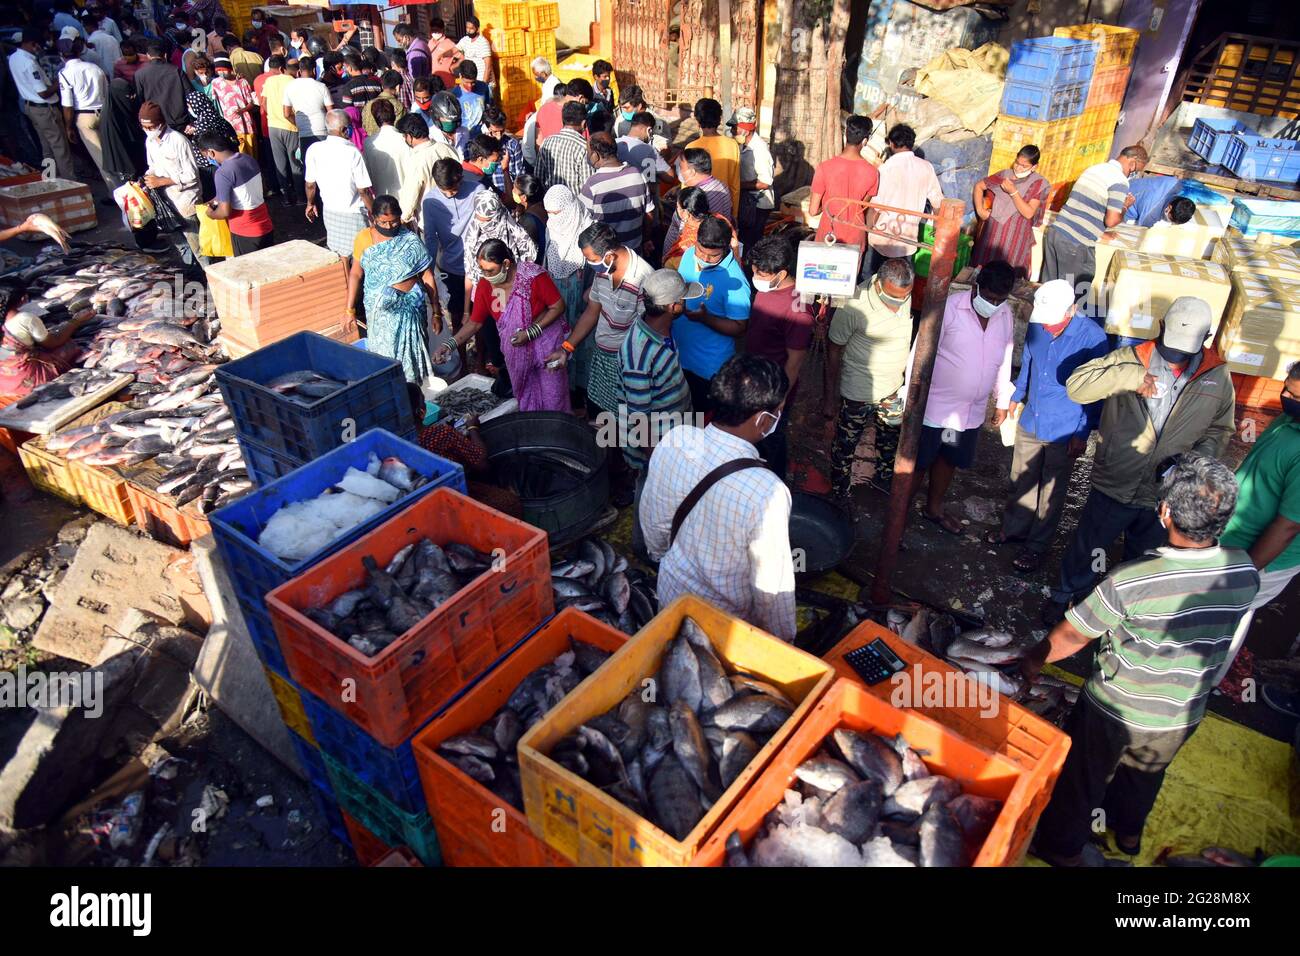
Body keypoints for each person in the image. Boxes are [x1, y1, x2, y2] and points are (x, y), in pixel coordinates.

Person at [1025, 454, 1258, 867]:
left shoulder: (1134, 578)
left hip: (1117, 708)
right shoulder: (1244, 571)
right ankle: (1128, 834)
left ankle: (1058, 847)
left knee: (1084, 778)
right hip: (1181, 712)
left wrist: (1033, 661)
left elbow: (1075, 634)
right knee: (1145, 774)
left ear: (1165, 512)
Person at [1043, 297, 1237, 624]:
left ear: (1205, 338)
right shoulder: (1131, 358)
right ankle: (1066, 597)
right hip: (1115, 481)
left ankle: (1124, 610)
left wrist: (1189, 467)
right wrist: (1129, 378)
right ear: (1161, 327)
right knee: (1090, 547)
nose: (1173, 356)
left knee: (1143, 559)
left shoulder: (1216, 376)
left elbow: (1220, 428)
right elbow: (1077, 387)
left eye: (1184, 351)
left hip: (1165, 492)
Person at [640, 354, 795, 640]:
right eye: (778, 411)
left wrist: (670, 559)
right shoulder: (768, 492)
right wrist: (782, 641)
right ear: (763, 419)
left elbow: (654, 525)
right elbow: (771, 589)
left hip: (671, 595)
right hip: (725, 626)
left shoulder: (675, 439)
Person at [993, 279, 1109, 573]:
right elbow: (1029, 362)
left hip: (1065, 427)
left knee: (1051, 490)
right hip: (1033, 417)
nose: (1046, 328)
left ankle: (1036, 546)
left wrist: (1083, 432)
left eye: (1053, 324)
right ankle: (1014, 529)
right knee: (1021, 477)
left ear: (1072, 310)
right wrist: (1016, 398)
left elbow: (1096, 393)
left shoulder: (1093, 339)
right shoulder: (1038, 325)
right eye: (1043, 323)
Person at [912, 260, 1016, 535]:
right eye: (990, 297)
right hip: (935, 408)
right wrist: (910, 393)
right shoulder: (949, 308)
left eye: (1000, 299)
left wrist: (1002, 400)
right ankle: (900, 516)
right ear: (976, 286)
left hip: (967, 413)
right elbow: (920, 351)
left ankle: (933, 508)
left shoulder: (1005, 314)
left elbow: (1005, 359)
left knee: (948, 457)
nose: (994, 304)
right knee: (920, 461)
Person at [437, 238, 570, 412]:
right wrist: (449, 344)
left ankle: (557, 433)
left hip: (547, 345)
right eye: (482, 270)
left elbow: (558, 306)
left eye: (490, 270)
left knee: (553, 396)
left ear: (506, 263)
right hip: (517, 351)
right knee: (526, 396)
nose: (486, 275)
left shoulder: (533, 276)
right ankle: (536, 433)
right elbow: (475, 322)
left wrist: (531, 333)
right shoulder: (485, 285)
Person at [619, 269, 697, 556]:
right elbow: (639, 417)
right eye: (682, 300)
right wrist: (657, 457)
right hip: (655, 445)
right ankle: (646, 549)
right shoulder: (639, 353)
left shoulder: (660, 330)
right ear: (672, 307)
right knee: (651, 492)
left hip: (673, 431)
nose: (685, 304)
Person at [547, 221, 654, 429]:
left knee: (625, 426)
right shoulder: (603, 270)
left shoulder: (642, 278)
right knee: (600, 420)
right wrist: (566, 348)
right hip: (601, 359)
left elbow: (646, 333)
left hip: (628, 366)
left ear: (610, 255)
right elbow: (592, 311)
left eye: (591, 260)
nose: (590, 265)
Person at [826, 257, 916, 500]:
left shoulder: (905, 294)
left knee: (890, 442)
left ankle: (884, 481)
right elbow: (834, 347)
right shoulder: (854, 303)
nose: (897, 304)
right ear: (878, 284)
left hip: (893, 389)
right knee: (846, 444)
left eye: (903, 297)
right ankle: (838, 492)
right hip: (857, 390)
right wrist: (830, 396)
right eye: (892, 297)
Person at [1221, 362, 1300, 620]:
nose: (1286, 398)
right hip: (1232, 539)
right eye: (1285, 389)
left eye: (1295, 396)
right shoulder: (1288, 419)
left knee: (1221, 617)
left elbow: (1288, 526)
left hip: (1260, 557)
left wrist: (1247, 571)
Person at [346, 194, 441, 384]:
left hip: (412, 311)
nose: (390, 227)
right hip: (382, 315)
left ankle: (418, 394)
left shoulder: (410, 239)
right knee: (387, 358)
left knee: (415, 357)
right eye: (384, 222)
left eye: (394, 221)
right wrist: (349, 309)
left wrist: (436, 312)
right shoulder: (364, 239)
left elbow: (427, 275)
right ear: (374, 218)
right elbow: (356, 273)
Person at [744, 236, 811, 479]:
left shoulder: (797, 312)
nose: (756, 278)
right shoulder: (768, 288)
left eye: (760, 273)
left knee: (772, 440)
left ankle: (775, 482)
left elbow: (794, 362)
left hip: (773, 389)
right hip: (754, 378)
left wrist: (779, 399)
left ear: (781, 274)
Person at [1041, 145, 1147, 293]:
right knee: (1072, 294)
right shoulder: (1119, 181)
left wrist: (1101, 233)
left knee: (1047, 291)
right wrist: (1125, 207)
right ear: (1132, 163)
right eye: (1135, 170)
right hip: (1075, 244)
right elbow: (1111, 221)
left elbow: (1084, 208)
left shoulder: (1095, 169)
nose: (1132, 174)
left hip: (1056, 233)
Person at [406, 386, 521, 517]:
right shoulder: (440, 433)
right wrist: (473, 427)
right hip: (452, 494)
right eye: (423, 400)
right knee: (510, 502)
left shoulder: (395, 440)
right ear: (420, 411)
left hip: (422, 500)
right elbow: (482, 464)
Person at [674, 216, 751, 412]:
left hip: (708, 368)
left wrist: (706, 318)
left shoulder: (737, 281)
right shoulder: (688, 255)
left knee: (700, 421)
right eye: (701, 251)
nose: (705, 259)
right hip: (678, 358)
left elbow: (740, 328)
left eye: (713, 255)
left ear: (726, 248)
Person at [459, 190, 537, 373]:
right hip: (486, 296)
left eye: (488, 220)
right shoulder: (472, 234)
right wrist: (466, 310)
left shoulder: (514, 233)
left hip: (512, 294)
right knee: (493, 342)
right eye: (479, 218)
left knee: (515, 342)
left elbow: (529, 259)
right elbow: (470, 273)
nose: (483, 224)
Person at [0, 273, 100, 395]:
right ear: (23, 298)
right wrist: (76, 321)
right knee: (68, 344)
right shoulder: (25, 318)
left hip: (4, 379)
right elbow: (53, 343)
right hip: (28, 378)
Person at [866, 123, 943, 280]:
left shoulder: (886, 168)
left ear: (892, 144)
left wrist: (867, 230)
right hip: (907, 240)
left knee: (870, 280)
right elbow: (937, 202)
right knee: (902, 282)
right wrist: (937, 227)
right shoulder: (926, 167)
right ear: (911, 144)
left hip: (881, 238)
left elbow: (875, 207)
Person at [422, 158, 485, 346]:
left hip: (479, 266)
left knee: (480, 317)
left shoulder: (478, 191)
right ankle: (462, 363)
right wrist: (428, 270)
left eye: (454, 190)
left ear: (461, 179)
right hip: (452, 268)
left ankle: (482, 362)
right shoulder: (430, 201)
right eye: (445, 191)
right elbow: (431, 238)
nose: (450, 195)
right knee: (457, 317)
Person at [542, 185, 594, 388]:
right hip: (557, 300)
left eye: (557, 214)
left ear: (570, 209)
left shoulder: (588, 230)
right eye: (549, 214)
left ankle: (581, 389)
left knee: (581, 341)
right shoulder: (551, 226)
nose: (554, 219)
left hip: (582, 299)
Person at [808, 115, 878, 269]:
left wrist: (826, 205)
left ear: (846, 135)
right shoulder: (873, 172)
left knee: (821, 280)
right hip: (854, 237)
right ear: (865, 141)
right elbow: (864, 206)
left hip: (828, 235)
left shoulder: (824, 167)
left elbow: (813, 211)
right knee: (845, 286)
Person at [139, 100, 202, 266]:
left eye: (151, 127)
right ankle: (192, 271)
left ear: (161, 123)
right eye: (144, 127)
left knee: (196, 244)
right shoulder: (150, 142)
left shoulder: (179, 141)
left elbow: (191, 176)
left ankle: (208, 274)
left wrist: (162, 181)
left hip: (185, 200)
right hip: (166, 201)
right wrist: (146, 179)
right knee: (180, 243)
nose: (148, 131)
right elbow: (153, 166)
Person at [973, 144, 1049, 280]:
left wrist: (1013, 192)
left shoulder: (1039, 183)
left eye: (1023, 166)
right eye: (1017, 163)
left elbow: (1028, 213)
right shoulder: (1004, 175)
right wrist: (980, 210)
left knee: (1008, 278)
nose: (1018, 168)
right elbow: (979, 186)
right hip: (992, 235)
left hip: (1016, 238)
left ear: (1034, 167)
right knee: (984, 275)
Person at [305, 110, 373, 257]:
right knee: (361, 256)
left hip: (330, 213)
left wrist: (310, 204)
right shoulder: (353, 152)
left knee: (340, 257)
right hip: (353, 215)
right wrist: (374, 212)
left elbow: (310, 185)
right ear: (344, 130)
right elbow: (364, 191)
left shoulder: (314, 149)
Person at [198, 129, 274, 255]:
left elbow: (224, 212)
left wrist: (210, 214)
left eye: (206, 157)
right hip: (265, 225)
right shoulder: (248, 159)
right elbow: (251, 189)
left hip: (245, 232)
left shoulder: (223, 173)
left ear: (211, 153)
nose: (208, 160)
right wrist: (217, 198)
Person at [10, 28, 72, 182]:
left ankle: (50, 178)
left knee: (47, 148)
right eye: (38, 45)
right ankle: (71, 182)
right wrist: (59, 83)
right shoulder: (29, 63)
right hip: (44, 108)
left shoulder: (13, 58)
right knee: (60, 148)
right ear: (32, 44)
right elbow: (43, 92)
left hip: (31, 107)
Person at [579, 132, 652, 254]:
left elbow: (583, 223)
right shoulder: (638, 175)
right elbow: (649, 214)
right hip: (635, 252)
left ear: (596, 156)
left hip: (608, 256)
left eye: (588, 152)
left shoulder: (592, 184)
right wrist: (646, 239)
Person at [58, 38, 112, 190]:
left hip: (85, 116)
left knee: (101, 159)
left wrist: (68, 127)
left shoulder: (65, 73)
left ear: (62, 55)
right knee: (112, 153)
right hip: (105, 112)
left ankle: (118, 195)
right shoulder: (94, 67)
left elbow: (67, 105)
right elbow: (107, 91)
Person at [662, 148, 732, 262]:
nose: (679, 171)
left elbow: (683, 230)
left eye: (681, 167)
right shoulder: (721, 185)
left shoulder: (696, 197)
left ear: (692, 172)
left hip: (684, 257)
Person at [396, 113, 459, 228]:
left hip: (432, 222)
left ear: (409, 136)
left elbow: (410, 196)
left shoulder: (416, 160)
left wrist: (403, 218)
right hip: (458, 215)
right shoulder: (446, 148)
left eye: (404, 136)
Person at [732, 107, 775, 253]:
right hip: (748, 202)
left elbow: (765, 182)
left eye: (734, 128)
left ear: (745, 129)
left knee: (751, 243)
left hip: (758, 205)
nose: (732, 131)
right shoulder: (742, 144)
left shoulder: (759, 149)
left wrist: (738, 185)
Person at [259, 54, 298, 204]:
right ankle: (300, 196)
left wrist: (273, 115)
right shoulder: (291, 80)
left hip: (273, 126)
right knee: (295, 162)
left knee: (279, 163)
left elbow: (263, 103)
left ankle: (287, 198)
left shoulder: (268, 81)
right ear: (283, 68)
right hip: (290, 125)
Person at [97, 78, 145, 191]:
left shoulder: (120, 109)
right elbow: (118, 149)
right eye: (127, 96)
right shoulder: (110, 119)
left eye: (132, 96)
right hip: (123, 168)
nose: (131, 99)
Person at [537, 100, 592, 196]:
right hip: (575, 207)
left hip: (551, 206)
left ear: (563, 121)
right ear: (584, 124)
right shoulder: (583, 148)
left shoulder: (546, 142)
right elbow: (587, 188)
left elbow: (538, 177)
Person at [133, 41, 189, 132]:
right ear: (165, 55)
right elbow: (189, 93)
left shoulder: (139, 75)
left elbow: (139, 100)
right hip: (179, 120)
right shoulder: (176, 70)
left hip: (155, 121)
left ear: (148, 56)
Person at [283, 56, 332, 155]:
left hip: (303, 132)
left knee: (308, 166)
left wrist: (299, 124)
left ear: (299, 71)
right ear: (314, 70)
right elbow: (331, 112)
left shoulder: (290, 87)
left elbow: (286, 114)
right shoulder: (322, 87)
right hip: (322, 130)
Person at [210, 56, 256, 156]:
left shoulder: (242, 82)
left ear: (230, 69)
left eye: (223, 70)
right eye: (218, 71)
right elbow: (214, 102)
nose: (221, 73)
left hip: (246, 125)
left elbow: (252, 103)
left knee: (251, 153)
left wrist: (243, 110)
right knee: (237, 153)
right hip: (230, 125)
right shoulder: (215, 83)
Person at [362, 98, 407, 200]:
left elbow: (368, 175)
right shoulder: (405, 139)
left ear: (375, 119)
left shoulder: (368, 143)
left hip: (381, 199)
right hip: (406, 198)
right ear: (394, 115)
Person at [618, 109, 671, 195]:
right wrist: (661, 157)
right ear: (649, 130)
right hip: (643, 198)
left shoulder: (615, 143)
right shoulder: (648, 150)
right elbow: (670, 177)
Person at [1138, 196, 1202, 258]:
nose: (1171, 222)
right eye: (1171, 219)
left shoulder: (1176, 186)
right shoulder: (1150, 217)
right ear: (1169, 207)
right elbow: (1140, 231)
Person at [482, 105, 527, 190]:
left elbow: (520, 175)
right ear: (487, 128)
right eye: (494, 132)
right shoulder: (479, 145)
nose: (499, 136)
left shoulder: (513, 145)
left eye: (501, 131)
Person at [536, 77, 592, 146]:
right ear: (581, 98)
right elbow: (586, 147)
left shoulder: (543, 109)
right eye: (585, 103)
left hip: (547, 155)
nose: (585, 108)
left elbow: (538, 142)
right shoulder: (578, 116)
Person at [511, 173, 546, 255]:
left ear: (524, 198)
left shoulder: (528, 220)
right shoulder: (540, 205)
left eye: (514, 189)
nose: (512, 191)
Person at [362, 70, 406, 136]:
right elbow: (400, 131)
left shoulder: (368, 105)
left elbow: (364, 127)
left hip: (371, 143)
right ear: (398, 87)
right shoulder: (399, 106)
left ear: (382, 86)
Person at [456, 16, 493, 87]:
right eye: (467, 28)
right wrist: (443, 54)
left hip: (483, 82)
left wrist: (483, 85)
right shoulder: (465, 40)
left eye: (471, 28)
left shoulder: (483, 42)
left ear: (477, 29)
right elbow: (453, 50)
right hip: (472, 83)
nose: (468, 30)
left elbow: (488, 66)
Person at [453, 60, 487, 134]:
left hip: (482, 136)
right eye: (467, 82)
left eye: (473, 83)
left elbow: (489, 108)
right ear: (460, 76)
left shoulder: (484, 87)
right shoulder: (455, 95)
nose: (470, 86)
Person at [82, 12, 121, 77]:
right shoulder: (112, 38)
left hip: (103, 76)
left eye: (84, 26)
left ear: (88, 26)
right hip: (117, 75)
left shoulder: (91, 41)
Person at [426, 17, 461, 88]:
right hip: (434, 83)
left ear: (442, 30)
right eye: (433, 30)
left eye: (437, 30)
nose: (435, 33)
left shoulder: (449, 44)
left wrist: (452, 67)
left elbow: (462, 57)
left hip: (447, 82)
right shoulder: (430, 43)